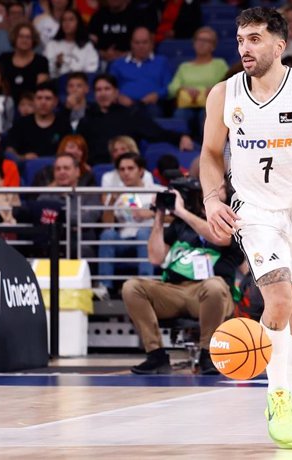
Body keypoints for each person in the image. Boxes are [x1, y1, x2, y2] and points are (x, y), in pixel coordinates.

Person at [199, 7, 292, 449]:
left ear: (279, 45)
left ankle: (288, 388)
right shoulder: (223, 95)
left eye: (255, 39)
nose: (245, 47)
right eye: (241, 39)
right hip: (256, 211)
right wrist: (211, 198)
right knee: (279, 300)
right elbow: (210, 153)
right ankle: (278, 396)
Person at [122, 180, 244, 375]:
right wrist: (160, 216)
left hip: (213, 292)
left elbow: (221, 238)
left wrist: (181, 213)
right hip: (175, 291)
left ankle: (208, 354)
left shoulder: (232, 218)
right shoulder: (180, 226)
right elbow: (155, 257)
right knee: (132, 287)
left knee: (214, 285)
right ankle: (156, 355)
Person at [77, 74, 193, 165]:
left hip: (127, 167)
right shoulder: (87, 119)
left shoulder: (130, 115)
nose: (103, 93)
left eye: (107, 89)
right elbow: (79, 146)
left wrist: (180, 137)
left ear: (116, 92)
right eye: (99, 90)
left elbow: (157, 133)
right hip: (96, 168)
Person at [98, 153, 158, 291]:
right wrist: (112, 202)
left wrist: (152, 213)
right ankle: (104, 287)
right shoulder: (118, 194)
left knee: (144, 233)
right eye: (122, 169)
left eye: (130, 168)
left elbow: (173, 217)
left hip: (148, 239)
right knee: (107, 235)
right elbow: (107, 225)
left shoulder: (155, 191)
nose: (126, 173)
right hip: (124, 239)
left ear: (141, 171)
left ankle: (146, 284)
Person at [168, 27, 229, 142]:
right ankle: (183, 143)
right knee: (180, 114)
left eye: (206, 41)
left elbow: (228, 83)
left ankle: (207, 148)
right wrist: (183, 88)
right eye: (199, 40)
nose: (201, 44)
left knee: (207, 114)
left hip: (209, 105)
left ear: (213, 46)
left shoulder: (219, 64)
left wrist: (214, 89)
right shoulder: (184, 67)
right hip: (186, 105)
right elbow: (171, 89)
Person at [108, 27, 171, 119]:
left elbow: (168, 87)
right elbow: (110, 86)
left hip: (151, 106)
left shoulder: (162, 62)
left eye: (144, 42)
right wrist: (119, 97)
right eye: (137, 43)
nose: (141, 46)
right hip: (124, 105)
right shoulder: (118, 64)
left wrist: (157, 95)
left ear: (151, 43)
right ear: (131, 44)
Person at [5, 81, 72, 159]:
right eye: (39, 98)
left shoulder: (64, 124)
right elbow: (9, 150)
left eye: (48, 98)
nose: (43, 102)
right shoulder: (21, 123)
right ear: (34, 101)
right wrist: (22, 157)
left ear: (55, 101)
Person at [88, 0, 157, 63]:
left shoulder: (138, 16)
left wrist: (122, 55)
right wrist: (103, 54)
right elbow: (89, 44)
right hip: (101, 60)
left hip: (131, 60)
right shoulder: (98, 16)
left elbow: (148, 44)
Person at [0, 22, 49, 103]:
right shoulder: (4, 59)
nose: (24, 40)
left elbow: (41, 89)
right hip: (6, 103)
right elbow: (0, 84)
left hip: (32, 104)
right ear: (15, 38)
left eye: (28, 37)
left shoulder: (41, 61)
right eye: (21, 36)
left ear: (33, 40)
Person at [44, 8, 99, 78]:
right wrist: (57, 64)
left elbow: (91, 71)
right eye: (64, 20)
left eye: (71, 20)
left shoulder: (87, 46)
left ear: (78, 23)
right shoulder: (52, 45)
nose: (67, 23)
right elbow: (46, 70)